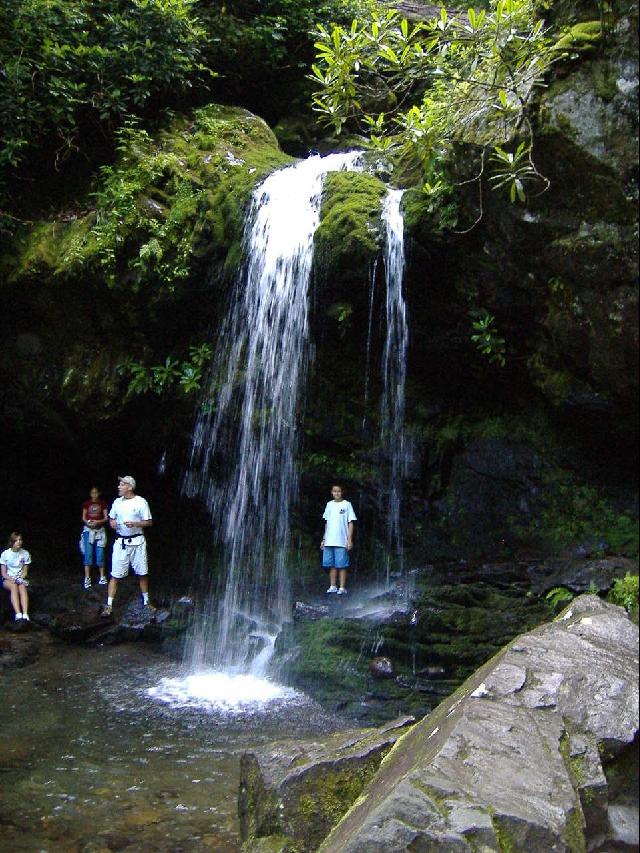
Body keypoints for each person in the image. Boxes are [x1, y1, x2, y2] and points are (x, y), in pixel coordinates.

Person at [102, 475, 154, 616]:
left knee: (142, 573)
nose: (119, 486)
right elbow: (112, 517)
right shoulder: (117, 502)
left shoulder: (141, 502)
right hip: (121, 543)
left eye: (122, 484)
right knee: (115, 575)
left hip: (137, 542)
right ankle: (109, 605)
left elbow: (148, 522)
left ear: (130, 487)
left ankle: (146, 601)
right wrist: (112, 522)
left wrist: (135, 524)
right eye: (119, 484)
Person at [320, 484, 356, 595]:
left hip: (341, 540)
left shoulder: (347, 505)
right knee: (331, 565)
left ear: (342, 492)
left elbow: (351, 522)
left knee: (342, 565)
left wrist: (349, 540)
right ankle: (332, 586)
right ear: (331, 492)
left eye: (339, 491)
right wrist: (324, 539)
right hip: (329, 540)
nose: (336, 493)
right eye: (334, 491)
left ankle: (342, 587)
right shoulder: (329, 505)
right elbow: (327, 522)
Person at [81, 486, 109, 589]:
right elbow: (83, 517)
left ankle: (102, 576)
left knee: (100, 554)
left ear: (99, 493)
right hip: (88, 530)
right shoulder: (86, 504)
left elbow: (106, 518)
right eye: (92, 493)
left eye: (96, 493)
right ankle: (87, 578)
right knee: (88, 554)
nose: (94, 495)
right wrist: (88, 523)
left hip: (100, 531)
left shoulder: (102, 504)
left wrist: (98, 522)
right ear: (90, 493)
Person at [1, 532, 32, 622]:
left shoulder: (25, 553)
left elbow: (25, 571)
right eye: (16, 540)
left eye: (20, 540)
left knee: (22, 587)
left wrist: (20, 578)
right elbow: (3, 573)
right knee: (14, 586)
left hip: (19, 578)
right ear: (12, 542)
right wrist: (12, 579)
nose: (19, 542)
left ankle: (25, 614)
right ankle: (18, 613)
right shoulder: (5, 554)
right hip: (8, 579)